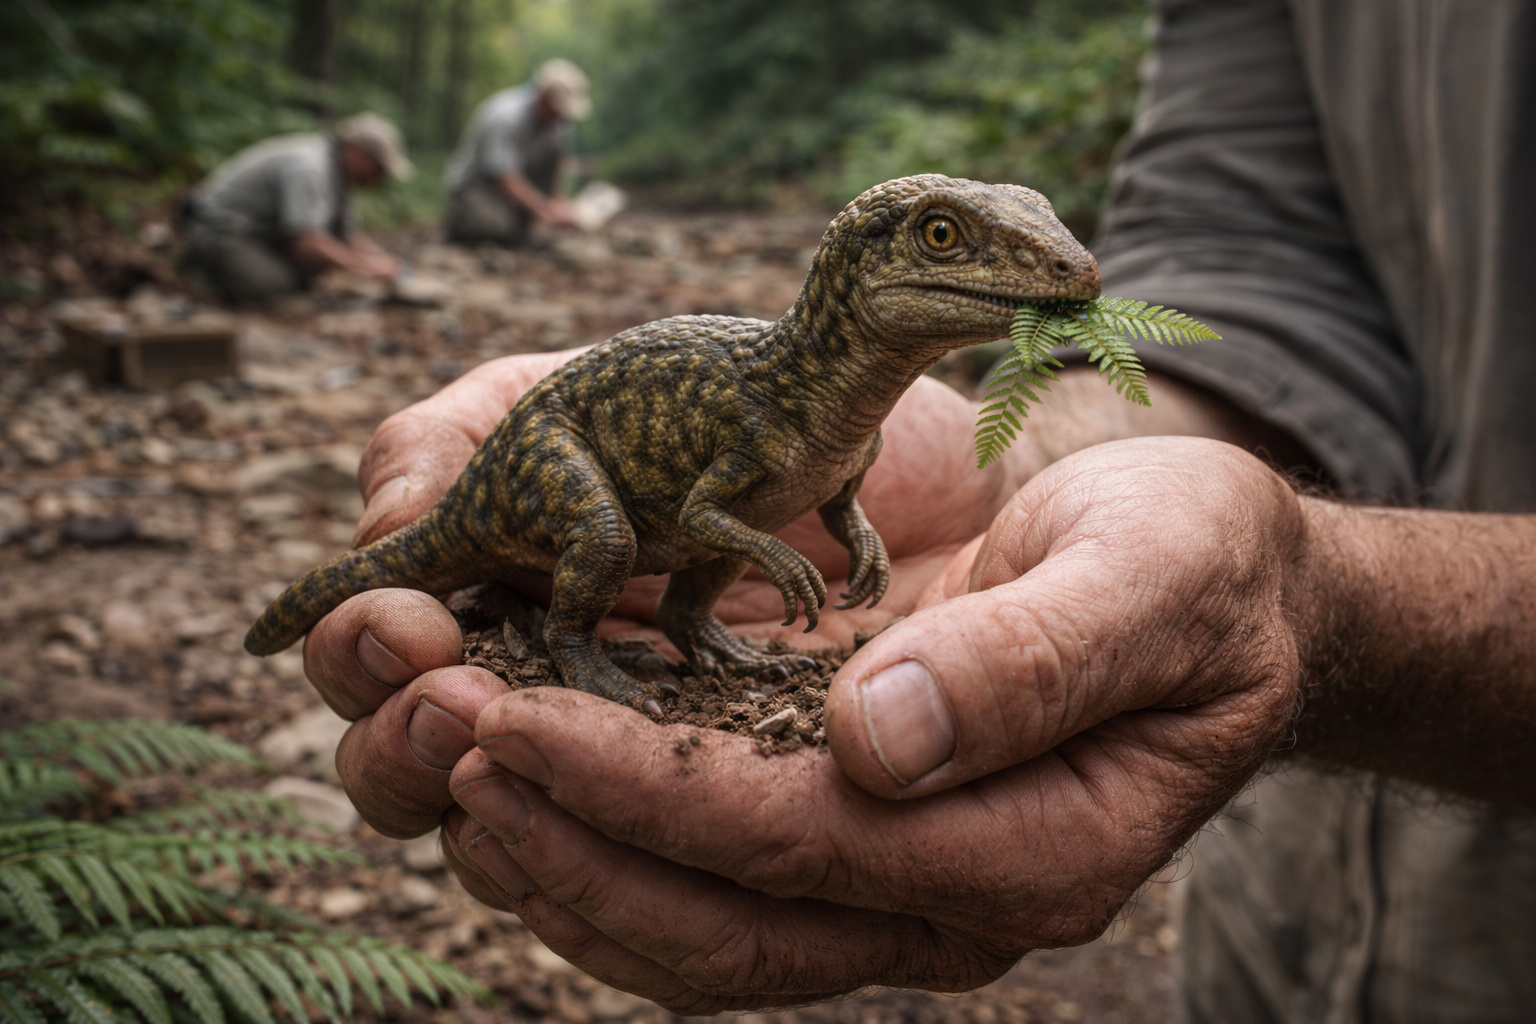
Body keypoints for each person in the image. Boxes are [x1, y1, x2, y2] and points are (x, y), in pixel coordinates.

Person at [290, 0, 1536, 1018]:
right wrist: (1034, 463)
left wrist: (1318, 597)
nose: (1062, 271)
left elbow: (816, 484)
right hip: (1281, 931)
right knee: (609, 536)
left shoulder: (833, 419)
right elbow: (1259, 286)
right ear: (862, 274)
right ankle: (575, 638)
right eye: (946, 237)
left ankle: (677, 621)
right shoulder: (793, 407)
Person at [182, 113, 411, 304]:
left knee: (310, 273)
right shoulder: (310, 166)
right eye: (379, 168)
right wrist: (369, 267)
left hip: (261, 235)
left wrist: (382, 260)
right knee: (273, 284)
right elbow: (306, 243)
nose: (380, 178)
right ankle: (198, 271)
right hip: (222, 231)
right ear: (358, 152)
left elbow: (347, 236)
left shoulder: (340, 176)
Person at [443, 58, 589, 247]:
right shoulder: (505, 116)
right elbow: (503, 177)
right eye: (558, 109)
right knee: (498, 228)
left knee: (516, 229)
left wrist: (560, 204)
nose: (561, 116)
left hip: (519, 182)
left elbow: (555, 169)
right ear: (543, 97)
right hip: (476, 185)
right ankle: (463, 222)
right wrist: (544, 209)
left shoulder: (558, 125)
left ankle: (518, 223)